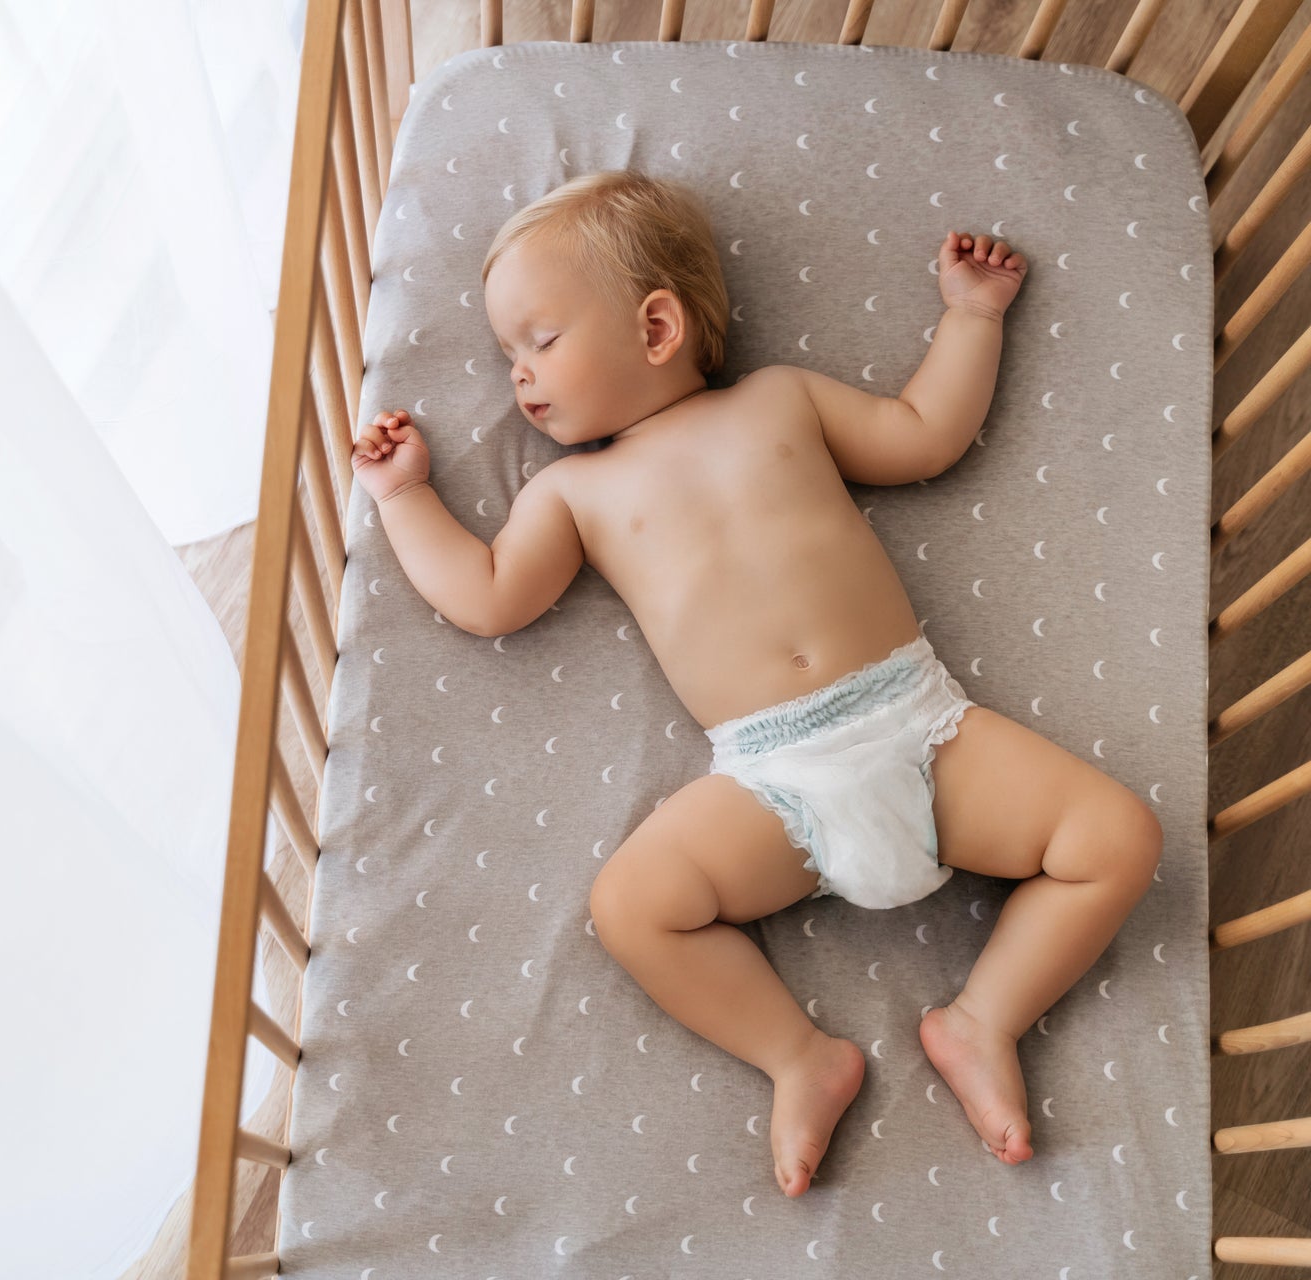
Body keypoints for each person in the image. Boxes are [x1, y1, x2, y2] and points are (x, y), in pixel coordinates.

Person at [347, 169, 1164, 1199]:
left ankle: (983, 1018)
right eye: (508, 355)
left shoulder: (783, 399)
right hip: (771, 778)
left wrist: (969, 318)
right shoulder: (571, 491)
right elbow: (489, 593)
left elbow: (923, 434)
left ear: (657, 326)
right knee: (631, 905)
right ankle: (798, 1056)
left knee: (1120, 837)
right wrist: (407, 494)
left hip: (919, 726)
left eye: (539, 340)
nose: (518, 375)